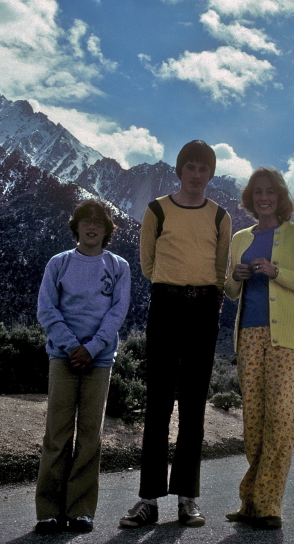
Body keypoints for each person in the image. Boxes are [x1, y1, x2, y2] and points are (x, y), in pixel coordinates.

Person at [120, 140, 232, 529]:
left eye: (203, 169)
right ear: (180, 170)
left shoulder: (220, 217)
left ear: (210, 175)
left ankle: (188, 498)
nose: (196, 175)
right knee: (158, 403)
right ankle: (148, 500)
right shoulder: (157, 210)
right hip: (165, 306)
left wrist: (204, 297)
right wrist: (174, 286)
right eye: (190, 167)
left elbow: (221, 268)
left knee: (194, 405)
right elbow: (148, 264)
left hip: (204, 310)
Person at [223, 167, 294, 530]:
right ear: (250, 198)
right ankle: (250, 502)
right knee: (253, 419)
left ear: (280, 198)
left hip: (287, 339)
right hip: (249, 335)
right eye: (257, 192)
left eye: (270, 192)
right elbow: (230, 291)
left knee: (279, 417)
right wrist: (235, 277)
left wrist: (276, 272)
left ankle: (269, 505)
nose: (263, 197)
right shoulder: (240, 238)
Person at [34, 199, 131, 534]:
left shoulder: (118, 266)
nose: (92, 227)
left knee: (90, 436)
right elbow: (46, 309)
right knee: (57, 433)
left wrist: (91, 348)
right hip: (63, 357)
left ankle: (81, 510)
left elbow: (117, 313)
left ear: (107, 230)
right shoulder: (58, 263)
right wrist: (72, 346)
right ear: (76, 227)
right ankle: (48, 511)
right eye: (86, 221)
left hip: (99, 360)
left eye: (98, 222)